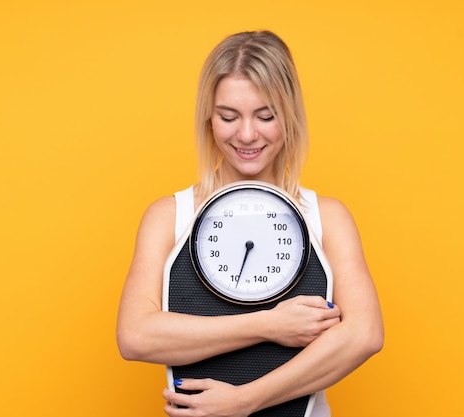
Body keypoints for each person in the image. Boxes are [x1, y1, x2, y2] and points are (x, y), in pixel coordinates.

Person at [116, 30, 384, 417]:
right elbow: (136, 336)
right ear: (208, 118)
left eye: (266, 116)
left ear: (290, 117)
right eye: (228, 116)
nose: (246, 134)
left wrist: (245, 400)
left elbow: (365, 334)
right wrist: (268, 324)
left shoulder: (327, 217)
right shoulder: (168, 217)